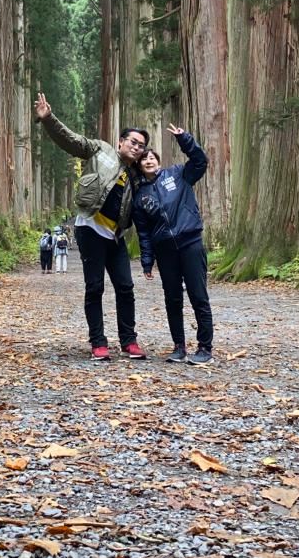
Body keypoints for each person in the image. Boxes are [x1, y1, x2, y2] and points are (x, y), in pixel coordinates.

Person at [34, 91, 148, 361]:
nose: (136, 147)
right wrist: (48, 119)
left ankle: (128, 341)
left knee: (125, 287)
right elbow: (71, 141)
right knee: (95, 286)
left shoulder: (137, 175)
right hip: (89, 229)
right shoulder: (100, 150)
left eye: (141, 145)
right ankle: (98, 342)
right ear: (121, 142)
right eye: (133, 141)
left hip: (116, 236)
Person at [134, 124, 214, 365]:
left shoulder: (178, 175)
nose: (148, 160)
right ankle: (179, 346)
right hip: (165, 251)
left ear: (158, 161)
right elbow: (144, 233)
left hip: (190, 243)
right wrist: (147, 261)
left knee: (198, 295)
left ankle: (205, 347)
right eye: (144, 158)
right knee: (172, 299)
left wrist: (184, 139)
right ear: (139, 165)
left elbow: (200, 161)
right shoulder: (140, 196)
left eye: (151, 157)